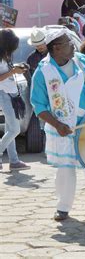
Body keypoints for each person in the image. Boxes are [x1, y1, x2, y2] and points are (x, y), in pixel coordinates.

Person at [30, 28, 85, 221]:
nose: (73, 45)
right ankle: (63, 207)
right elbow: (38, 105)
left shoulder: (82, 61)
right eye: (69, 43)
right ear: (57, 48)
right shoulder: (43, 72)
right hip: (60, 127)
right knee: (65, 169)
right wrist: (57, 124)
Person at [0, 29, 30, 171]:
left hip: (12, 95)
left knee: (9, 129)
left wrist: (16, 68)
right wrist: (13, 71)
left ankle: (14, 160)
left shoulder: (6, 55)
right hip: (4, 95)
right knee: (14, 130)